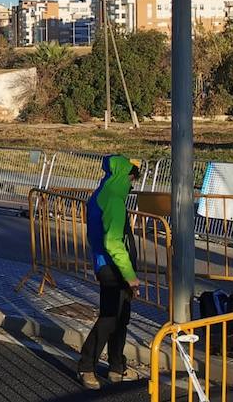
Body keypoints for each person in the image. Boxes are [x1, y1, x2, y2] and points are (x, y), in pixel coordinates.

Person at [77, 155, 141, 390]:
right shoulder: (113, 199)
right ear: (126, 176)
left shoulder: (101, 194)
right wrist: (130, 275)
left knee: (121, 318)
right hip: (112, 268)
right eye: (132, 179)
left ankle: (117, 367)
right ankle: (86, 366)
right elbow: (114, 242)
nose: (132, 184)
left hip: (109, 264)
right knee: (109, 319)